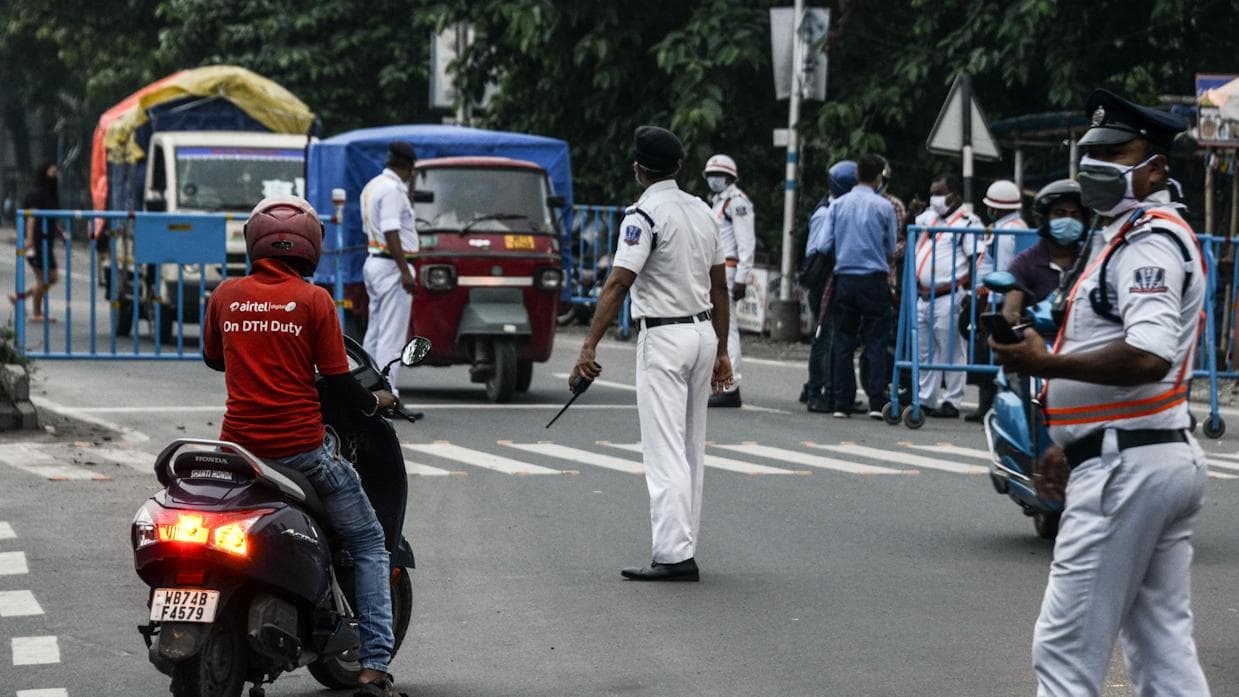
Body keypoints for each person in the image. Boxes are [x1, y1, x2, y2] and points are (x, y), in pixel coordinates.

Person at [990, 89, 1210, 697]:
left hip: (1128, 464)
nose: (1096, 166)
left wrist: (1046, 360)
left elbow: (1148, 354)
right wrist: (1072, 443)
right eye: (1090, 153)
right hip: (1136, 449)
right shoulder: (1117, 235)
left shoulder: (1149, 242)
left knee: (1064, 649)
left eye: (1116, 153)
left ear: (1156, 167)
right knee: (1162, 647)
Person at [202, 196, 403, 697]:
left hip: (238, 457)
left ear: (254, 241)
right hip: (301, 456)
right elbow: (338, 384)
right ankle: (374, 665)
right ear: (311, 245)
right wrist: (377, 398)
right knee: (370, 544)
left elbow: (213, 359)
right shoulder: (314, 301)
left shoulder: (225, 294)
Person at [570, 126, 733, 582]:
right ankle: (684, 545)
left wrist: (589, 344)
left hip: (663, 338)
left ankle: (673, 555)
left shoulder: (643, 216)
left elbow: (619, 282)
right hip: (702, 334)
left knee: (664, 452)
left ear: (638, 168)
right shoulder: (703, 211)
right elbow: (719, 286)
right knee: (690, 447)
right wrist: (722, 350)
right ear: (679, 167)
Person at [814, 154, 896, 418]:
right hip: (873, 279)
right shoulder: (884, 207)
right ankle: (875, 400)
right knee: (875, 340)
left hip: (844, 279)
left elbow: (823, 245)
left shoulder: (838, 206)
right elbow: (891, 247)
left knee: (844, 340)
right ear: (878, 177)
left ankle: (842, 402)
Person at [912, 174, 984, 418]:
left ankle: (953, 401)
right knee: (925, 350)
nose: (935, 199)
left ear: (954, 195)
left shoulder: (968, 222)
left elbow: (976, 260)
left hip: (950, 294)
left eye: (940, 193)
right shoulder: (928, 218)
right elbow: (910, 227)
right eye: (932, 193)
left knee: (951, 349)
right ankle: (926, 399)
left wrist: (973, 292)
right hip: (923, 295)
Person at [964, 179, 1027, 421]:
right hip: (992, 296)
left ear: (998, 207)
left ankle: (990, 407)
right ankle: (986, 405)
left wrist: (990, 299)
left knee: (991, 351)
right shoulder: (1006, 226)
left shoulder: (1009, 231)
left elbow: (1002, 270)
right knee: (986, 351)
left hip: (999, 299)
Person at [361, 141, 419, 399]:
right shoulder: (393, 190)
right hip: (392, 266)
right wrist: (405, 270)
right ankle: (388, 394)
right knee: (391, 336)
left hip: (375, 261)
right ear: (409, 166)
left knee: (374, 332)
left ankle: (367, 389)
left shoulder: (373, 186)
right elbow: (392, 230)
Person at [801, 160, 856, 411]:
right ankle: (815, 391)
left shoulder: (837, 207)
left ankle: (834, 390)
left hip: (835, 278)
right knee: (824, 336)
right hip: (824, 279)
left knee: (837, 336)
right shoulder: (827, 212)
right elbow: (821, 248)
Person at [1000, 179, 1089, 327]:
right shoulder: (1024, 263)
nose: (1068, 220)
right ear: (1045, 218)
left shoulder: (1092, 261)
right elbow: (1011, 312)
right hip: (1038, 342)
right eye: (1060, 213)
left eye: (1075, 215)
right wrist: (1013, 319)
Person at [703, 154, 754, 408]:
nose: (714, 180)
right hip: (718, 271)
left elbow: (746, 243)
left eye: (719, 175)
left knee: (727, 328)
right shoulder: (717, 203)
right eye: (711, 175)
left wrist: (743, 277)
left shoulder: (738, 203)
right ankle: (721, 380)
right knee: (718, 327)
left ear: (730, 177)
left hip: (731, 271)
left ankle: (730, 385)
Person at [9, 163, 64, 322]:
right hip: (38, 242)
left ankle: (20, 297)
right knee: (44, 278)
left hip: (48, 242)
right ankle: (37, 313)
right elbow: (31, 218)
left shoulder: (51, 194)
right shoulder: (37, 193)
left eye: (57, 172)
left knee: (52, 277)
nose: (56, 175)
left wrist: (59, 232)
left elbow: (50, 217)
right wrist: (30, 241)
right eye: (53, 171)